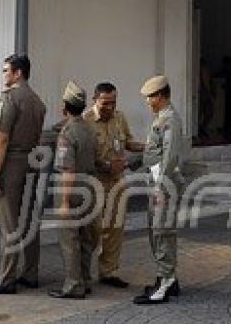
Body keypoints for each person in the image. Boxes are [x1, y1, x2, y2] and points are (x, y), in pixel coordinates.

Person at [0, 54, 46, 294]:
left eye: (5, 71)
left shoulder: (10, 99)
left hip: (11, 163)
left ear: (18, 73)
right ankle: (30, 271)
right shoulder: (37, 101)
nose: (3, 75)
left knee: (8, 222)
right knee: (28, 219)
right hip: (31, 162)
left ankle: (6, 277)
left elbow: (1, 138)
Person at [84, 82, 143, 289]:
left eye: (113, 103)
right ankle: (82, 272)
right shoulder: (85, 121)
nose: (109, 107)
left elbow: (128, 143)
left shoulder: (120, 118)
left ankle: (108, 272)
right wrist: (105, 164)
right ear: (95, 100)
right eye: (105, 103)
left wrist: (148, 146)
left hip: (117, 183)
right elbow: (83, 157)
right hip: (95, 182)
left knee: (115, 228)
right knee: (92, 230)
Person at [133, 75, 185, 305]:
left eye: (150, 97)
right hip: (159, 182)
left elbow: (170, 155)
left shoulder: (170, 119)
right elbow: (154, 151)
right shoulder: (162, 118)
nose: (148, 101)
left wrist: (161, 188)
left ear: (161, 96)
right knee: (158, 231)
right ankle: (168, 279)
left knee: (162, 232)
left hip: (165, 184)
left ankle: (164, 283)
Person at [49, 81, 99, 299]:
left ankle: (73, 285)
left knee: (69, 239)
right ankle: (86, 279)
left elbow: (67, 170)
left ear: (64, 107)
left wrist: (64, 202)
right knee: (86, 238)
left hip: (72, 187)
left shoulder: (67, 134)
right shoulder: (89, 128)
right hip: (90, 186)